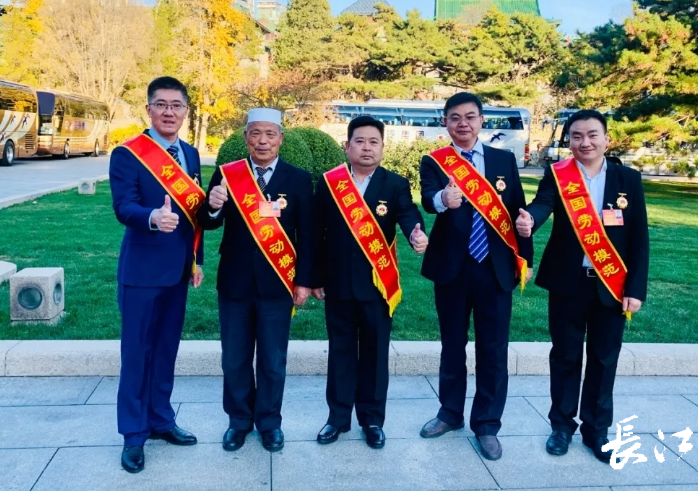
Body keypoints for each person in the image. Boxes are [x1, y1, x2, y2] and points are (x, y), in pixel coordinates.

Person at [515, 109, 649, 464]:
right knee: (565, 357)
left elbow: (639, 237)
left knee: (604, 360)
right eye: (576, 136)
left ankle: (596, 431)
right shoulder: (558, 175)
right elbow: (542, 205)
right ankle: (561, 427)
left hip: (611, 285)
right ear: (569, 140)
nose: (584, 142)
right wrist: (529, 220)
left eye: (592, 135)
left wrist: (635, 288)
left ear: (606, 139)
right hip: (567, 283)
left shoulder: (627, 179)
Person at [418, 92, 534, 461]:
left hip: (494, 268)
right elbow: (427, 199)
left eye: (470, 116)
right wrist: (443, 200)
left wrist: (525, 255)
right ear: (445, 122)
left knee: (493, 349)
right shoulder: (434, 160)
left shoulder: (503, 160)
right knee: (452, 345)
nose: (463, 123)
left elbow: (517, 208)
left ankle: (486, 424)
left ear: (482, 120)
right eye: (455, 117)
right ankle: (450, 413)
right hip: (452, 268)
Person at [198, 108, 314, 453]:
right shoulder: (228, 173)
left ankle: (269, 422)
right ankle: (238, 421)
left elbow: (308, 235)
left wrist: (304, 281)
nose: (263, 141)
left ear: (281, 138)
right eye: (256, 134)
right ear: (245, 137)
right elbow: (209, 221)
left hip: (278, 283)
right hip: (234, 282)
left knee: (272, 360)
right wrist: (213, 205)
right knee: (234, 358)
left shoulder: (298, 179)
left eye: (270, 134)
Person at [312, 115, 428, 449]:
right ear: (347, 146)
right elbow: (315, 232)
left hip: (378, 286)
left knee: (375, 355)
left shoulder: (395, 184)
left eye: (373, 142)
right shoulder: (330, 183)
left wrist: (416, 233)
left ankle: (373, 420)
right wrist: (316, 277)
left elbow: (408, 214)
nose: (366, 148)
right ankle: (337, 418)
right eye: (359, 141)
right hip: (337, 284)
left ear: (382, 147)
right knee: (340, 352)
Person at [109, 76, 205, 474]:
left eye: (176, 105)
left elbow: (195, 216)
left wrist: (197, 260)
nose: (169, 112)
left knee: (166, 351)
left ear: (186, 111)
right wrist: (152, 217)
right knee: (137, 354)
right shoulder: (128, 154)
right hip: (142, 272)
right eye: (161, 105)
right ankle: (134, 434)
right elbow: (123, 206)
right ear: (148, 109)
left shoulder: (191, 154)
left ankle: (161, 420)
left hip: (178, 272)